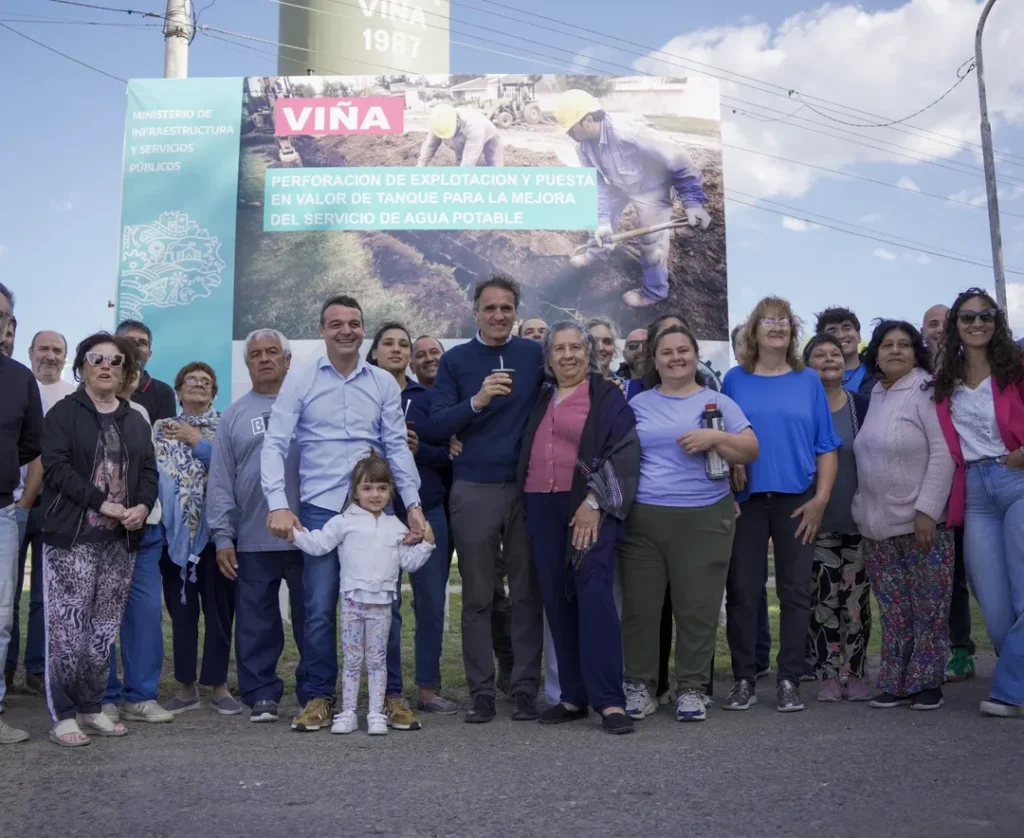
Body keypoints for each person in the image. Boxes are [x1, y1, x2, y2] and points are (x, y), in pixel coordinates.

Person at [263, 295, 425, 733]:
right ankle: (320, 696)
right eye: (336, 324)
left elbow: (395, 447)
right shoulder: (300, 380)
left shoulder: (383, 384)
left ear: (363, 329)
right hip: (318, 506)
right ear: (322, 330)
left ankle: (391, 697)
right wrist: (278, 503)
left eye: (354, 323)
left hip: (375, 509)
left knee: (382, 604)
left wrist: (412, 506)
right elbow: (275, 442)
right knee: (317, 606)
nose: (346, 331)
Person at [621, 326, 758, 722]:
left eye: (683, 351)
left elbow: (751, 448)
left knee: (696, 608)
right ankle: (641, 685)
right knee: (641, 609)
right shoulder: (638, 402)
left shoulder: (717, 402)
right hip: (644, 518)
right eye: (667, 352)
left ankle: (693, 689)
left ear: (696, 356)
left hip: (705, 515)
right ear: (655, 359)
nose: (676, 358)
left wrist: (712, 439)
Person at [430, 276, 545, 723]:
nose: (499, 315)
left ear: (516, 312)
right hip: (473, 489)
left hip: (526, 489)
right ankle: (481, 692)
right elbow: (438, 425)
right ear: (475, 311)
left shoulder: (535, 354)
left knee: (526, 595)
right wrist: (476, 402)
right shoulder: (457, 360)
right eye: (490, 308)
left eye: (507, 308)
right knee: (478, 597)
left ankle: (523, 689)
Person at [519, 322, 639, 734]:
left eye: (575, 348)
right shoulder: (539, 397)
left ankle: (610, 701)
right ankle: (572, 696)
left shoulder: (606, 397)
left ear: (589, 353)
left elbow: (623, 452)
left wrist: (594, 501)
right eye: (558, 349)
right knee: (556, 597)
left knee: (594, 594)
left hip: (587, 505)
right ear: (548, 357)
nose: (567, 355)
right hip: (539, 503)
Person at [722, 297, 840, 713]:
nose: (776, 326)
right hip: (746, 502)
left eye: (784, 321)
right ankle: (743, 679)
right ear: (753, 331)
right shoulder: (734, 379)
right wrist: (729, 473)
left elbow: (826, 446)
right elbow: (722, 439)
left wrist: (820, 500)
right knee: (742, 592)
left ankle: (789, 679)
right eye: (767, 320)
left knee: (795, 592)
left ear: (792, 332)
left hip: (797, 502)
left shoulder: (808, 380)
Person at [39, 333, 158, 746]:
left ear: (126, 370)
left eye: (115, 361)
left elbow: (149, 473)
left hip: (119, 541)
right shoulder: (63, 413)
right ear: (82, 367)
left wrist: (142, 506)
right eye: (96, 359)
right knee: (68, 631)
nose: (105, 366)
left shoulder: (136, 420)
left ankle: (91, 708)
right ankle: (64, 714)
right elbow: (55, 469)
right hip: (72, 538)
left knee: (103, 629)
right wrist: (102, 503)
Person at [292, 453, 434, 736]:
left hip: (381, 607)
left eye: (382, 488)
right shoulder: (343, 522)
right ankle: (347, 713)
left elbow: (409, 562)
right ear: (355, 492)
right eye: (367, 488)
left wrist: (427, 543)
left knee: (378, 661)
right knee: (353, 661)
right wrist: (294, 533)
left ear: (390, 491)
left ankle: (375, 714)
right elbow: (318, 545)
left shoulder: (397, 527)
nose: (375, 494)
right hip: (352, 605)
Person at [853, 320, 955, 711]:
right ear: (875, 355)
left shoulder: (927, 389)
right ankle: (896, 681)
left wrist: (928, 510)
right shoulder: (876, 393)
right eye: (886, 345)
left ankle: (927, 683)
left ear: (916, 352)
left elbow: (944, 452)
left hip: (921, 524)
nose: (894, 351)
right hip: (878, 527)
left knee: (929, 608)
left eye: (904, 345)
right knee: (895, 611)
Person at [207, 329, 307, 724]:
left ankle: (314, 692)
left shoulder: (308, 405)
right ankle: (261, 694)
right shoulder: (233, 415)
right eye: (256, 355)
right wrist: (222, 537)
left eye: (272, 353)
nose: (264, 359)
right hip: (251, 539)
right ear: (247, 363)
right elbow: (220, 481)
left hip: (307, 538)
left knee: (312, 620)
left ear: (287, 360)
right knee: (256, 624)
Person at [933, 290, 1024, 718]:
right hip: (973, 491)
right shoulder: (944, 381)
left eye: (986, 316)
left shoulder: (1016, 368)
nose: (977, 323)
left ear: (996, 322)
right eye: (968, 317)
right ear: (956, 324)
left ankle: (1011, 691)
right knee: (994, 602)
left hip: (1016, 479)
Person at [413, 334, 518, 696]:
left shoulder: (461, 384)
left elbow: (466, 429)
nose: (429, 359)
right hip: (433, 504)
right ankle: (427, 683)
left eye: (435, 353)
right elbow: (436, 438)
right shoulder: (408, 398)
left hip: (474, 495)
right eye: (420, 354)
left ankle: (507, 662)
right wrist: (442, 446)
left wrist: (454, 444)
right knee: (433, 597)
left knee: (492, 588)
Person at [368, 323, 459, 715]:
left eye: (403, 344)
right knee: (383, 604)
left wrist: (421, 450)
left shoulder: (432, 397)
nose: (397, 350)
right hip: (377, 514)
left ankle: (427, 688)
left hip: (428, 508)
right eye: (388, 343)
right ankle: (389, 689)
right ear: (373, 353)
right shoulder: (361, 395)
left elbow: (451, 457)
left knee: (431, 601)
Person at [554, 89, 711, 309]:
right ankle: (597, 254)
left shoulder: (629, 132)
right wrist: (603, 222)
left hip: (651, 188)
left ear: (588, 120)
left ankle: (654, 291)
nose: (568, 134)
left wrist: (693, 201)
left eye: (570, 128)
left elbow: (679, 159)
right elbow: (596, 184)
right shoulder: (584, 146)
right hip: (617, 183)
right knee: (593, 214)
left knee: (652, 241)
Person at [157, 362, 241, 716]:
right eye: (190, 380)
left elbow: (233, 471)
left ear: (215, 393)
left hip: (218, 537)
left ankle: (219, 685)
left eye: (207, 382)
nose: (199, 385)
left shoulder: (226, 428)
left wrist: (198, 442)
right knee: (183, 612)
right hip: (174, 540)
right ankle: (188, 686)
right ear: (178, 391)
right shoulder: (160, 429)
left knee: (220, 612)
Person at [101, 362, 174, 724]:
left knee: (145, 615)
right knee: (102, 616)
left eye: (129, 369)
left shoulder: (143, 413)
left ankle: (141, 696)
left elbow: (150, 470)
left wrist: (143, 508)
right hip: (101, 529)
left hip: (145, 529)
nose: (122, 375)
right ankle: (104, 697)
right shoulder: (77, 411)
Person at [803, 334, 872, 702]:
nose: (829, 359)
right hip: (817, 522)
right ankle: (828, 674)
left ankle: (856, 673)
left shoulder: (862, 405)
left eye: (835, 353)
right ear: (807, 363)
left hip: (859, 521)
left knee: (857, 602)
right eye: (819, 354)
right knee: (824, 601)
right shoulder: (802, 407)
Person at [922, 302, 977, 683]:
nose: (938, 329)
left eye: (944, 322)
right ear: (922, 331)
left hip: (974, 482)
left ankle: (963, 648)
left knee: (973, 573)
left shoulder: (969, 371)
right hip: (932, 487)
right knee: (944, 574)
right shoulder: (915, 373)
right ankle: (947, 650)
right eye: (931, 324)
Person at [0, 285, 44, 745]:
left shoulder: (19, 378)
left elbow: (32, 443)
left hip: (1, 514)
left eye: (4, 315)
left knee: (1, 619)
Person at [5, 326, 57, 695]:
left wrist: (24, 503)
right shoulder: (18, 378)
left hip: (40, 507)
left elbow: (37, 451)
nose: (50, 355)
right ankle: (7, 672)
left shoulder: (70, 395)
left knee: (35, 596)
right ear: (31, 351)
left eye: (57, 349)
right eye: (44, 348)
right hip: (12, 505)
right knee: (9, 598)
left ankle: (34, 671)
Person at [116, 320, 177, 423]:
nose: (135, 346)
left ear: (149, 354)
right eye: (128, 341)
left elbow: (164, 437)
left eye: (142, 343)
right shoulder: (100, 383)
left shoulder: (163, 392)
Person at [418, 103, 503, 168]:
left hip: (490, 139)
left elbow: (469, 160)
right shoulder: (439, 123)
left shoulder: (474, 126)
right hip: (463, 136)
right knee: (460, 160)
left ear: (457, 122)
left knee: (495, 166)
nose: (446, 138)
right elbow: (430, 145)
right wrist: (420, 166)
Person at [814, 307, 876, 395]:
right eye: (832, 331)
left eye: (847, 328)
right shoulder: (812, 378)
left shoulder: (879, 373)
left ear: (859, 336)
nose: (841, 335)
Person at [585, 317, 621, 382]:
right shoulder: (567, 387)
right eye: (593, 341)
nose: (600, 348)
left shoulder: (626, 389)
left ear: (615, 348)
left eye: (607, 342)